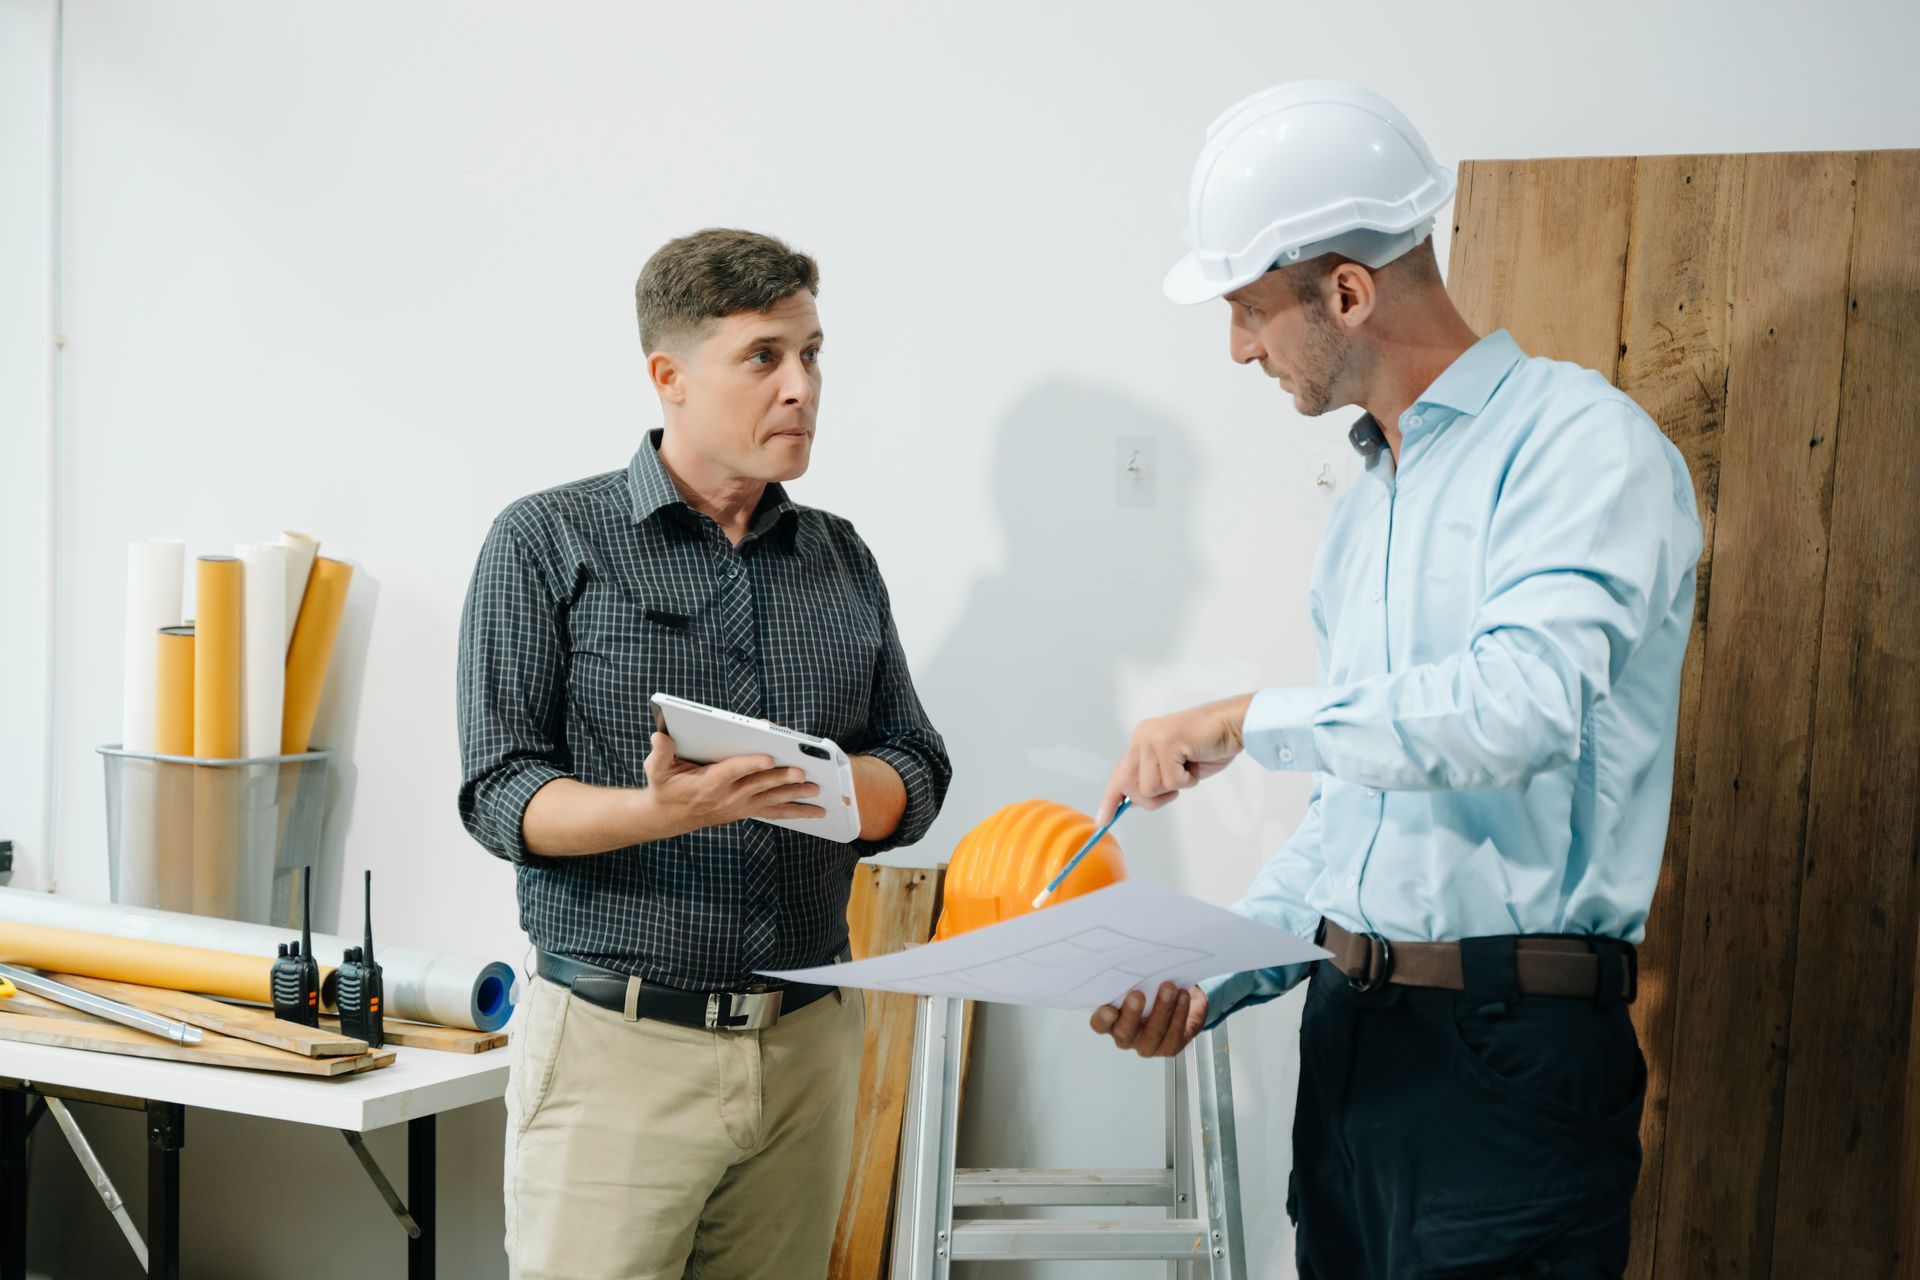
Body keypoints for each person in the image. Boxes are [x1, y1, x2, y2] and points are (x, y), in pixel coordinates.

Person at [1089, 82, 1702, 1278]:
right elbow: (1358, 818)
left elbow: (1515, 708)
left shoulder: (1581, 444)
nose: (1240, 347)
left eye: (1249, 310)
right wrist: (1208, 972)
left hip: (1510, 1063)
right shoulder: (1366, 504)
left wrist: (1241, 719)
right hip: (1356, 1044)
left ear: (1349, 292)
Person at [458, 227, 951, 1280]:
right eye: (765, 356)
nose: (801, 387)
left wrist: (841, 790)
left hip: (808, 1049)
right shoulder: (546, 541)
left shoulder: (841, 556)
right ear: (669, 377)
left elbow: (918, 761)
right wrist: (657, 812)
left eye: (814, 353)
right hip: (616, 1051)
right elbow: (499, 791)